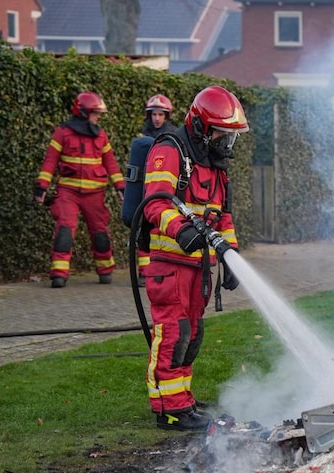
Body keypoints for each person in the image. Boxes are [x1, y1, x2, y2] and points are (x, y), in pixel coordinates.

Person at [141, 85, 247, 430]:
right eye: (221, 134)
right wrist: (180, 230)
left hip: (199, 269)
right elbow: (155, 203)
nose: (226, 142)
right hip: (169, 267)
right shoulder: (170, 150)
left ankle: (183, 400)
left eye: (230, 136)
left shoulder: (216, 165)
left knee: (192, 335)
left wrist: (231, 256)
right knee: (174, 333)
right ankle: (169, 410)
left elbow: (223, 217)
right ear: (201, 126)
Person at [35, 91, 126, 288]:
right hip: (68, 192)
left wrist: (121, 187)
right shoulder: (62, 133)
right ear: (84, 112)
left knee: (100, 232)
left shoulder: (100, 135)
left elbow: (111, 163)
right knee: (65, 230)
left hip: (95, 194)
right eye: (95, 113)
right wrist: (42, 186)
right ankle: (59, 274)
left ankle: (105, 270)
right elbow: (50, 161)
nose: (98, 117)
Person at [135, 94, 176, 285]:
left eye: (160, 114)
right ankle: (144, 272)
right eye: (154, 114)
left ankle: (163, 271)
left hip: (165, 190)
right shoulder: (142, 136)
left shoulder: (174, 136)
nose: (157, 118)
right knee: (144, 229)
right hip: (145, 188)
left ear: (166, 116)